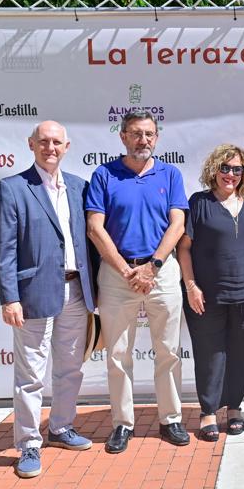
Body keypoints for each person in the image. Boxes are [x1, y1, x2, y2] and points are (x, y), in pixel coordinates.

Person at [0, 121, 95, 478]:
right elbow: (3, 250)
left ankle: (61, 428)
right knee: (30, 374)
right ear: (31, 145)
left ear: (67, 147)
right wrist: (9, 298)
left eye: (57, 143)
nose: (50, 148)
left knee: (70, 368)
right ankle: (29, 443)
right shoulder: (11, 188)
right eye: (43, 142)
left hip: (76, 290)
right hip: (33, 293)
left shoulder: (80, 188)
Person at [86, 110, 189, 453]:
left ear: (156, 138)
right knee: (117, 353)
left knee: (168, 351)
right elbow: (95, 228)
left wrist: (152, 266)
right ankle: (122, 424)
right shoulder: (104, 174)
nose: (142, 140)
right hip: (118, 275)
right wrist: (127, 270)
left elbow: (177, 225)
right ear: (123, 137)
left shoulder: (170, 174)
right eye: (135, 134)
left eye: (148, 134)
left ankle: (171, 418)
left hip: (161, 272)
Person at [177, 144, 244, 441]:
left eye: (237, 169)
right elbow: (183, 248)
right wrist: (191, 286)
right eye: (225, 168)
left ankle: (234, 408)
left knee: (239, 353)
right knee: (210, 353)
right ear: (214, 170)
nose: (230, 175)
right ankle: (208, 411)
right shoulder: (199, 203)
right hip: (206, 294)